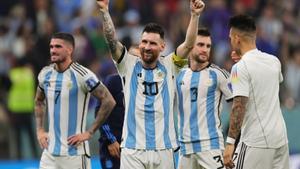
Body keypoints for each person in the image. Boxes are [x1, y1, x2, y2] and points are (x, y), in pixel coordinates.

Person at [96, 0, 205, 168]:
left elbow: (189, 44)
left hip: (164, 149)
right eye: (144, 42)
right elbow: (112, 41)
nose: (146, 47)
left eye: (152, 43)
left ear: (163, 46)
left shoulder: (171, 65)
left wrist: (195, 15)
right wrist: (104, 12)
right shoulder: (128, 65)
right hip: (133, 150)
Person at [34, 32, 116, 169]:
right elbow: (38, 101)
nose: (53, 50)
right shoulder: (45, 74)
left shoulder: (82, 75)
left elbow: (108, 100)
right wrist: (40, 130)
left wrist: (89, 132)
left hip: (74, 154)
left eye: (58, 47)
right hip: (49, 154)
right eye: (51, 46)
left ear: (69, 50)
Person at [223, 14, 289, 169]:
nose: (230, 41)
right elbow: (267, 81)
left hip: (256, 142)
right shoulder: (274, 61)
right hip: (281, 139)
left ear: (237, 38)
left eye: (231, 38)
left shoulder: (240, 68)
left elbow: (238, 106)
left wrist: (230, 143)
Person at [176, 28, 233, 169]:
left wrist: (232, 138)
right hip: (185, 148)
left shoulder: (219, 74)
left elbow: (240, 103)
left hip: (211, 145)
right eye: (200, 45)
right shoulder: (179, 75)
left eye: (208, 46)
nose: (205, 49)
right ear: (190, 46)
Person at [97, 73, 125, 169]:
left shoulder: (140, 81)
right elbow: (100, 111)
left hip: (133, 146)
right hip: (113, 146)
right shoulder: (113, 81)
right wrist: (110, 140)